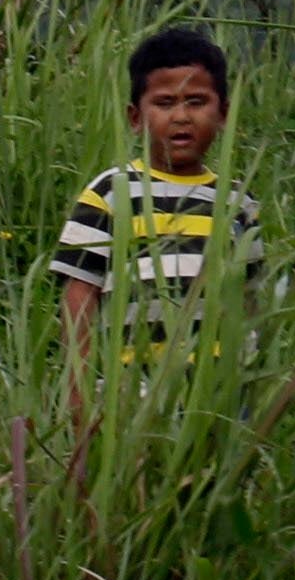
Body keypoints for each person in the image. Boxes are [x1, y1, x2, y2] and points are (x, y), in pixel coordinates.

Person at [53, 25, 255, 362]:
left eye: (197, 101)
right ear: (135, 117)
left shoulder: (237, 203)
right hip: (131, 393)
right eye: (164, 103)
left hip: (216, 395)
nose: (181, 116)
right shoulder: (110, 193)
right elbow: (80, 296)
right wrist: (81, 395)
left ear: (223, 114)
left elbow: (250, 303)